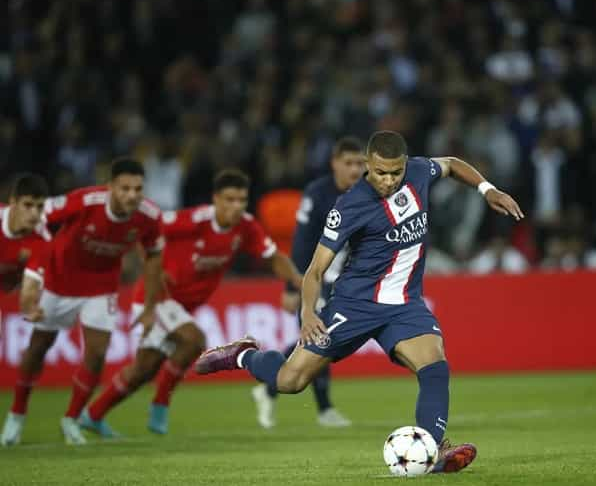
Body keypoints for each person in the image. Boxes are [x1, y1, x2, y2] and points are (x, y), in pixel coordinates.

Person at [194, 130, 524, 473]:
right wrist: (308, 312)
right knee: (290, 382)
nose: (389, 180)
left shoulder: (418, 171)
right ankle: (244, 354)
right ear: (368, 165)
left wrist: (488, 189)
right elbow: (315, 270)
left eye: (396, 172)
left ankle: (432, 449)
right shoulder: (350, 206)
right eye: (381, 172)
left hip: (405, 305)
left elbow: (453, 165)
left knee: (435, 367)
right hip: (355, 305)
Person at [80, 169, 302, 437]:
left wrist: (300, 282)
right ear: (216, 199)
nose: (236, 207)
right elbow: (149, 231)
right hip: (158, 298)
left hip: (181, 307)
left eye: (242, 200)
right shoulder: (192, 221)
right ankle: (161, 405)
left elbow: (274, 257)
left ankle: (93, 415)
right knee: (194, 339)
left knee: (144, 369)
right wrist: (151, 265)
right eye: (230, 199)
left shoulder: (246, 227)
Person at [1, 158, 164, 446]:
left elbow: (153, 255)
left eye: (137, 189)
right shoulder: (85, 201)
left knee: (97, 354)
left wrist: (149, 307)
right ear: (111, 186)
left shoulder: (149, 215)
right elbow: (40, 218)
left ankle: (71, 420)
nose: (132, 195)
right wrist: (26, 269)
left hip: (101, 288)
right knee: (38, 347)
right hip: (58, 280)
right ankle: (17, 414)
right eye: (124, 188)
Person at [252, 136, 365, 429]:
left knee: (322, 338)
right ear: (335, 164)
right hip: (317, 278)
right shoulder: (317, 194)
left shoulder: (368, 192)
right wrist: (293, 287)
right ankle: (322, 408)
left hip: (347, 280)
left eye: (360, 163)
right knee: (319, 336)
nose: (355, 169)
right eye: (349, 163)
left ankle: (268, 388)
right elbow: (302, 244)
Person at [0, 174, 50, 294]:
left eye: (40, 207)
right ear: (13, 202)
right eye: (28, 205)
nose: (34, 213)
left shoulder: (43, 239)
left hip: (12, 301)